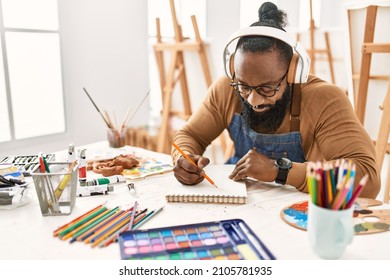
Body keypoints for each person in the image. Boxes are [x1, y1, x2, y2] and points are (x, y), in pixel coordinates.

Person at [171, 2, 380, 199]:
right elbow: (190, 135)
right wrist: (185, 160)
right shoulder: (226, 89)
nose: (253, 100)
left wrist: (280, 170)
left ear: (292, 74)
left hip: (298, 211)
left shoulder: (325, 99)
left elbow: (367, 179)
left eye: (266, 88)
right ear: (233, 69)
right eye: (244, 86)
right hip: (242, 202)